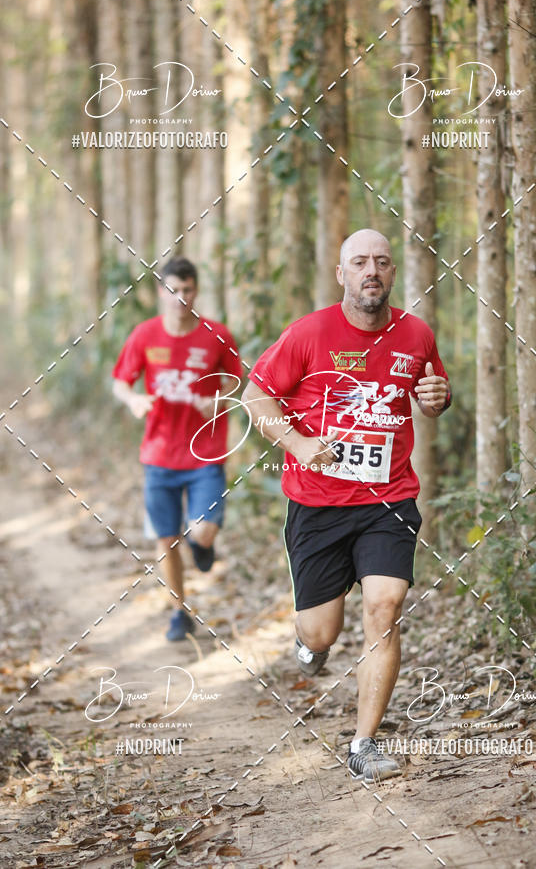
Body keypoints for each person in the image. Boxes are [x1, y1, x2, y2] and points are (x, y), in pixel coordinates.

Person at [241, 228, 451, 781]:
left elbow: (432, 395)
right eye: (359, 262)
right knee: (321, 633)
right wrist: (299, 444)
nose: (371, 271)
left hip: (389, 499)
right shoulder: (310, 333)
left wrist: (438, 399)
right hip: (318, 504)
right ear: (342, 274)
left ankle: (363, 743)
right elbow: (255, 393)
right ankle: (309, 645)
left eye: (381, 262)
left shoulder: (416, 334)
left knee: (384, 608)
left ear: (393, 273)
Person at [112, 256, 242, 641]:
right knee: (165, 540)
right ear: (161, 291)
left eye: (187, 290)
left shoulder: (216, 334)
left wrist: (218, 399)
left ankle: (202, 546)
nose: (180, 297)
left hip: (205, 453)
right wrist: (133, 400)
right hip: (159, 454)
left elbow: (238, 380)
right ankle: (179, 613)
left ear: (195, 290)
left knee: (201, 532)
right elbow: (120, 380)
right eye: (172, 289)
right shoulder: (145, 335)